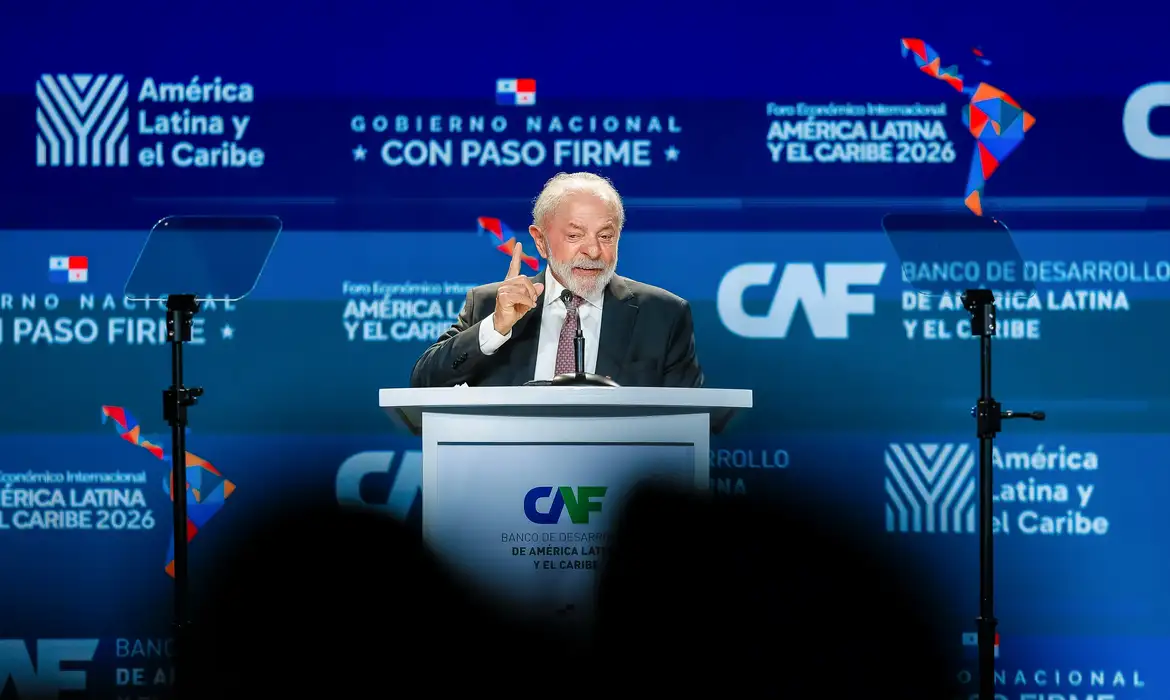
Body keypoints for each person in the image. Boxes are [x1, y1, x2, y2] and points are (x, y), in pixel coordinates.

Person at [411, 172, 703, 388]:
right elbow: (423, 382)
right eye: (575, 235)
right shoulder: (488, 305)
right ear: (540, 242)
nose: (593, 250)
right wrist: (496, 328)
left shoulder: (663, 314)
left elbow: (686, 421)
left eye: (606, 236)